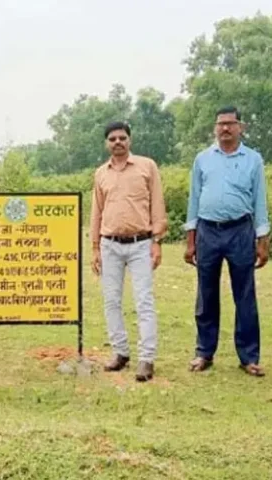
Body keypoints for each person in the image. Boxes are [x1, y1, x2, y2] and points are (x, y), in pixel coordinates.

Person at [183, 106, 270, 377]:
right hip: (208, 230)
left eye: (231, 124)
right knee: (206, 293)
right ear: (214, 128)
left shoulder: (253, 159)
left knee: (244, 293)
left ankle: (249, 357)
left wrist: (262, 238)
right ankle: (204, 352)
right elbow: (194, 200)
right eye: (220, 124)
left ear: (240, 127)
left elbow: (259, 201)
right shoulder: (203, 159)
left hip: (240, 230)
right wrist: (191, 239)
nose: (225, 129)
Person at [90, 121, 168, 382]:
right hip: (109, 243)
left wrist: (157, 241)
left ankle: (147, 358)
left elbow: (157, 205)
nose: (117, 142)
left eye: (122, 138)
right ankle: (120, 352)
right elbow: (96, 211)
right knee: (111, 300)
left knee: (143, 300)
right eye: (112, 139)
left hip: (140, 243)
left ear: (130, 141)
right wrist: (94, 248)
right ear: (106, 144)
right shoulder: (101, 173)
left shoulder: (147, 167)